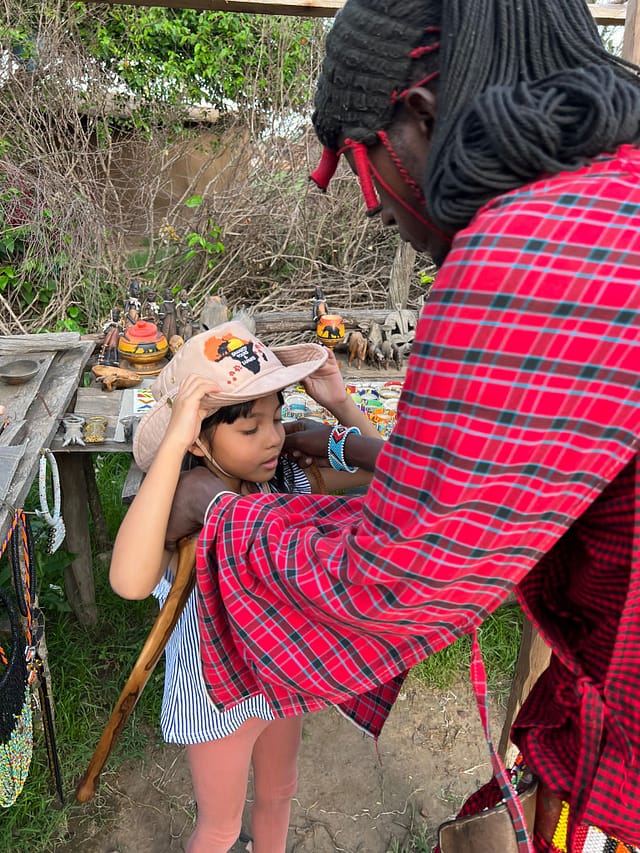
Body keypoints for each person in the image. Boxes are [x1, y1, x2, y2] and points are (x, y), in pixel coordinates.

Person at [167, 1, 640, 850]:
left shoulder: (528, 252)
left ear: (420, 116)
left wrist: (218, 511)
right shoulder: (614, 202)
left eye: (364, 166)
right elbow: (516, 481)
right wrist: (348, 440)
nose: (375, 209)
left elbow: (390, 585)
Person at [109, 321, 380, 853]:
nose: (275, 437)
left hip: (283, 675)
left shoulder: (284, 481)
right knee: (220, 827)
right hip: (217, 700)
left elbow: (390, 477)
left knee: (280, 792)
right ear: (199, 439)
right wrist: (174, 441)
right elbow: (129, 582)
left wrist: (341, 403)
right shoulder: (184, 510)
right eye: (250, 429)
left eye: (276, 419)